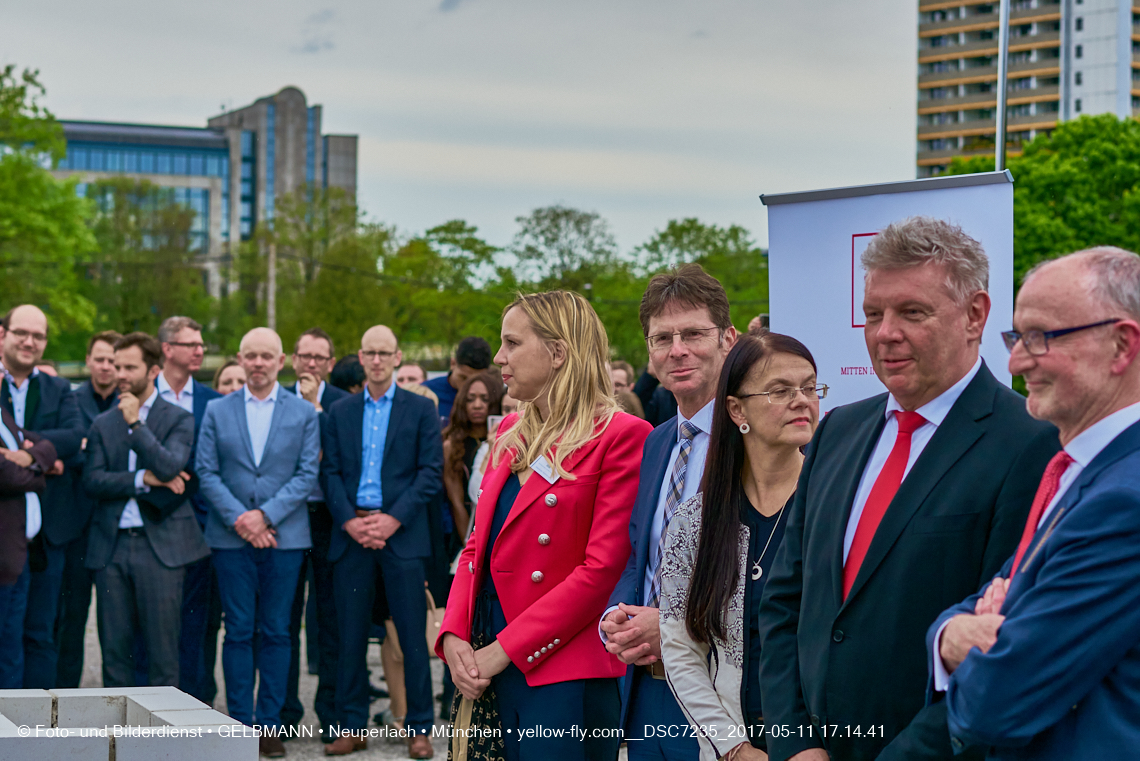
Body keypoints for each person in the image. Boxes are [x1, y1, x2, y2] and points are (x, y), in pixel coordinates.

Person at [756, 217, 1061, 761]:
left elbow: (1003, 648)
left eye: (911, 312)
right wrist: (793, 742)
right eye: (873, 314)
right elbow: (784, 600)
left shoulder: (1031, 444)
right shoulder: (838, 431)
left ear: (975, 316)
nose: (884, 333)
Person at [928, 248, 1140, 759]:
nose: (1016, 361)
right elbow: (993, 594)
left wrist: (970, 644)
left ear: (1122, 345)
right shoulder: (1084, 472)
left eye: (1041, 337)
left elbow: (993, 704)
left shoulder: (1124, 501)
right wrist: (949, 634)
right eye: (1016, 336)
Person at [438, 290, 652, 761]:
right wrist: (453, 634)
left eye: (512, 343)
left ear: (558, 352)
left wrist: (503, 651)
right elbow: (475, 547)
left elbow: (600, 572)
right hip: (485, 647)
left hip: (561, 668)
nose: (499, 358)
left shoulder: (622, 436)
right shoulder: (510, 434)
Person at [660, 334, 822, 761]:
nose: (802, 400)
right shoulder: (696, 521)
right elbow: (680, 648)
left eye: (810, 387)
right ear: (736, 409)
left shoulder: (834, 506)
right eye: (781, 391)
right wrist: (733, 748)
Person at [600, 264, 737, 761]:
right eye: (663, 338)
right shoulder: (655, 442)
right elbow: (641, 558)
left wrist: (675, 626)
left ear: (728, 338)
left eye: (694, 333)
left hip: (722, 690)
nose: (677, 349)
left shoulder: (755, 444)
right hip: (646, 693)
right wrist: (614, 618)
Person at [196, 327, 320, 759]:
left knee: (277, 631)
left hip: (284, 538)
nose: (259, 363)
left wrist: (265, 516)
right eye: (251, 356)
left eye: (267, 356)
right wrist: (241, 520)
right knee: (238, 630)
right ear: (240, 358)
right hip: (230, 539)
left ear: (281, 361)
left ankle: (269, 725)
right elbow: (206, 470)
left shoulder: (303, 413)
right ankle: (239, 723)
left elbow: (307, 474)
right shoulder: (217, 409)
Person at [321, 325, 443, 758]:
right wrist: (350, 523)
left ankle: (419, 728)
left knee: (412, 637)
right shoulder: (341, 411)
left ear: (396, 357)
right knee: (350, 636)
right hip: (353, 535)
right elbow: (330, 473)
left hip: (401, 535)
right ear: (360, 356)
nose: (376, 360)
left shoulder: (419, 409)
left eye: (383, 353)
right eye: (369, 353)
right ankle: (351, 726)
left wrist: (392, 520)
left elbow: (430, 473)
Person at [84, 332, 210, 688]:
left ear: (153, 370)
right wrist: (142, 478)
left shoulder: (178, 418)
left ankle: (161, 741)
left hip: (163, 548)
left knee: (163, 653)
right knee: (114, 652)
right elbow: (92, 481)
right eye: (115, 365)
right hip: (111, 547)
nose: (118, 372)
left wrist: (136, 425)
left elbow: (171, 466)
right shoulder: (102, 423)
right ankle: (119, 741)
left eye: (129, 367)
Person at [0, 305, 82, 690]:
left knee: (41, 633)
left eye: (39, 335)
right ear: (4, 334)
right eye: (22, 333)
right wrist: (47, 455)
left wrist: (28, 453)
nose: (30, 341)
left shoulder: (58, 387)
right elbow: (58, 444)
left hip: (47, 537)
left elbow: (75, 437)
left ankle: (33, 731)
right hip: (4, 533)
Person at [281, 327, 349, 738]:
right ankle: (284, 714)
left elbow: (338, 458)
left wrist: (313, 409)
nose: (310, 364)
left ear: (330, 363)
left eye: (318, 358)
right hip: (287, 514)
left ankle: (331, 714)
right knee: (283, 618)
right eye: (304, 356)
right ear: (293, 360)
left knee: (330, 617)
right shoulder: (276, 402)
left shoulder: (342, 404)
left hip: (328, 516)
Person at [154, 316, 224, 704]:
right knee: (152, 628)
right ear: (167, 349)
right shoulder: (145, 396)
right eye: (190, 344)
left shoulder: (212, 402)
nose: (199, 350)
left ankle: (197, 708)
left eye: (201, 344)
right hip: (151, 527)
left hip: (199, 528)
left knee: (199, 626)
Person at [55, 330, 122, 688]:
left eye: (113, 360)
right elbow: (69, 448)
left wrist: (83, 448)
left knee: (119, 626)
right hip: (76, 528)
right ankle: (63, 697)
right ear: (88, 361)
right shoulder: (70, 398)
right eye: (100, 359)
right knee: (71, 620)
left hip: (117, 528)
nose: (107, 366)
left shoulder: (130, 402)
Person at [0, 406, 57, 689]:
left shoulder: (4, 416)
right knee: (5, 645)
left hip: (20, 554)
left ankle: (12, 725)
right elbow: (8, 477)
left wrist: (28, 457)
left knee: (13, 643)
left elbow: (48, 445)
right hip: (3, 558)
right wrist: (40, 471)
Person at [443, 372, 504, 540]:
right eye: (470, 399)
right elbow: (456, 502)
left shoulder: (505, 441)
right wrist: (468, 541)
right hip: (465, 528)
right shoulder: (452, 446)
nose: (477, 405)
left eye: (485, 399)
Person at [422, 336, 493, 424]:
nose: (468, 385)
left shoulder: (494, 396)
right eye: (463, 378)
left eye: (476, 380)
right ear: (453, 363)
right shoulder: (426, 393)